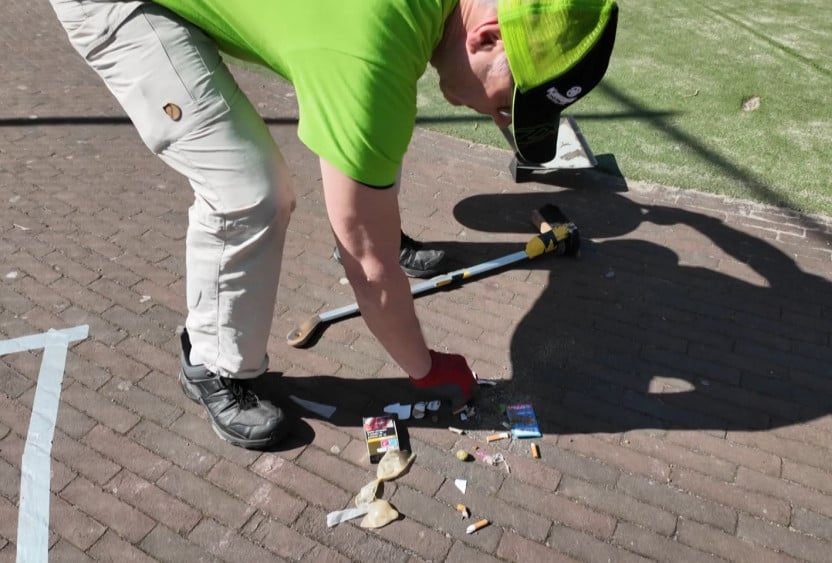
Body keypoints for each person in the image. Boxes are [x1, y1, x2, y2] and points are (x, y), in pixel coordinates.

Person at [48, 0, 619, 449]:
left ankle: (376, 218)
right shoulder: (367, 53)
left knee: (364, 143)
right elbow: (368, 268)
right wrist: (424, 368)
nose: (497, 117)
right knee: (250, 194)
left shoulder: (415, 33)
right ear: (486, 35)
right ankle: (212, 364)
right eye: (507, 105)